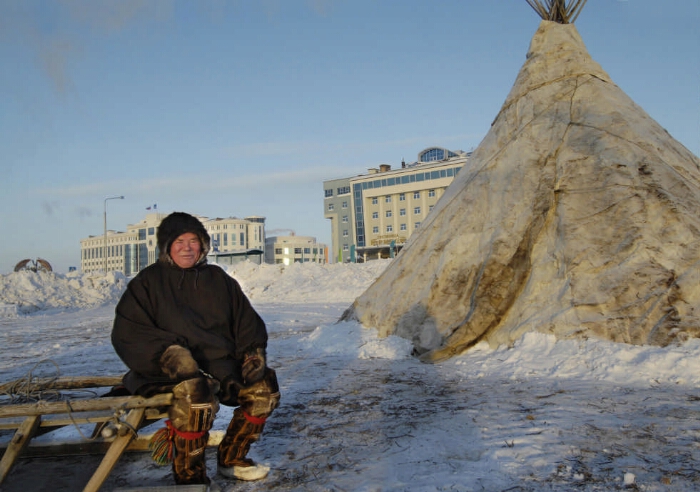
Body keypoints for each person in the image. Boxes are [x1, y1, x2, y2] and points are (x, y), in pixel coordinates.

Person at [111, 212, 280, 487]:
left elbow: (244, 320)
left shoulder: (218, 279)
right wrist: (173, 358)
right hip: (167, 370)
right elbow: (128, 332)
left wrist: (252, 354)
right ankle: (190, 476)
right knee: (196, 398)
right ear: (167, 246)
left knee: (264, 389)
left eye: (194, 241)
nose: (187, 247)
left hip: (218, 364)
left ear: (203, 245)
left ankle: (232, 458)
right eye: (180, 241)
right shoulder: (147, 283)